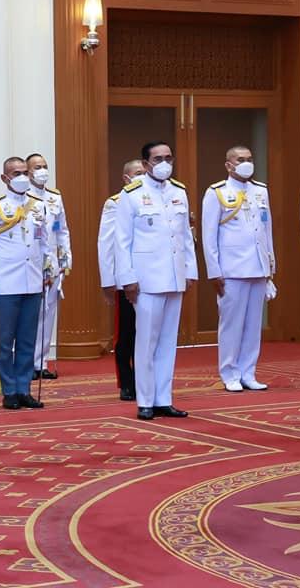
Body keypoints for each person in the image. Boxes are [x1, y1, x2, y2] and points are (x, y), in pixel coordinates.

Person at [115, 141, 197, 420]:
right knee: (146, 342)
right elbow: (122, 241)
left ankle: (164, 399)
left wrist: (190, 270)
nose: (164, 163)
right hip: (146, 279)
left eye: (168, 158)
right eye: (158, 159)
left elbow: (185, 235)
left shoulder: (179, 191)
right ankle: (145, 401)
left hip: (174, 276)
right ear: (146, 164)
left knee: (168, 342)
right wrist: (127, 279)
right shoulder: (132, 194)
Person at [0, 156, 50, 410]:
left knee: (28, 340)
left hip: (33, 280)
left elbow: (44, 241)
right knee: (6, 341)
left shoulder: (38, 205)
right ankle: (8, 390)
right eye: (16, 173)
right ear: (4, 178)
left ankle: (24, 388)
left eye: (24, 172)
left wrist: (48, 268)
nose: (22, 177)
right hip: (5, 281)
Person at [201, 145, 273, 393]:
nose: (246, 163)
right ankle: (230, 372)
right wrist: (214, 271)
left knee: (253, 326)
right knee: (231, 325)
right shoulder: (217, 192)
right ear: (228, 165)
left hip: (258, 267)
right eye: (240, 159)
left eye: (249, 159)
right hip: (231, 269)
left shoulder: (260, 191)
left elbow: (266, 231)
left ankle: (248, 372)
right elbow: (209, 236)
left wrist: (270, 268)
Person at [98, 160, 146, 401]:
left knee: (148, 334)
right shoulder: (115, 203)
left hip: (152, 277)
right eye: (138, 173)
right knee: (127, 333)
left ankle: (145, 380)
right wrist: (108, 281)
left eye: (144, 172)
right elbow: (106, 243)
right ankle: (127, 382)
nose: (143, 176)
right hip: (126, 279)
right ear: (126, 178)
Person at [25, 153, 71, 381]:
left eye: (44, 166)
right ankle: (26, 363)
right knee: (30, 314)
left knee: (48, 313)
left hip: (52, 263)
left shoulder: (55, 197)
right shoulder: (23, 197)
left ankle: (40, 362)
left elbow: (61, 229)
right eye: (37, 167)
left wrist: (65, 258)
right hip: (31, 263)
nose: (42, 170)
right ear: (28, 172)